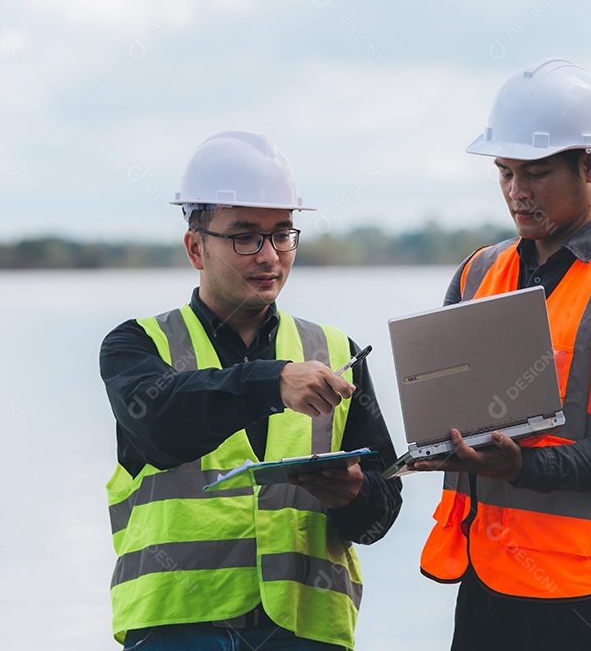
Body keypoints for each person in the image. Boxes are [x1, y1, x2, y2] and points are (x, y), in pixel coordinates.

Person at [411, 59, 591, 650]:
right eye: (505, 173)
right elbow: (445, 404)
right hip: (485, 578)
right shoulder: (477, 273)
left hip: (587, 596)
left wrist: (523, 468)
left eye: (535, 173)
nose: (517, 192)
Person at [100, 130, 403, 650]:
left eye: (282, 234)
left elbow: (380, 515)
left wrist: (353, 493)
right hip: (177, 629)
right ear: (196, 247)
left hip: (308, 631)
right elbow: (162, 429)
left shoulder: (334, 348)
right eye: (245, 237)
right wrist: (272, 381)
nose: (269, 256)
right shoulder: (136, 346)